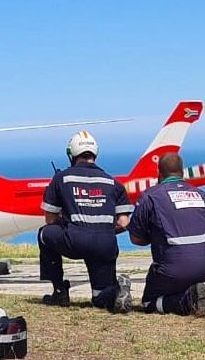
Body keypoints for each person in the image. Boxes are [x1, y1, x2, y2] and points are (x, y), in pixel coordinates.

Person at [38, 131, 134, 312]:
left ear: (72, 154)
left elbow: (50, 220)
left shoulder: (61, 178)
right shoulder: (113, 182)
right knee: (100, 299)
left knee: (44, 233)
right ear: (95, 154)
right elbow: (123, 222)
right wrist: (102, 230)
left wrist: (68, 223)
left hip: (75, 241)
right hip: (105, 244)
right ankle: (116, 290)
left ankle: (59, 291)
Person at [128, 152, 205, 317]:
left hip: (176, 267)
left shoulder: (150, 197)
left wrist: (154, 236)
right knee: (180, 275)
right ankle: (193, 291)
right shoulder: (204, 195)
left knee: (149, 303)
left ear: (159, 174)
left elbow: (135, 239)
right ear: (182, 173)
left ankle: (189, 301)